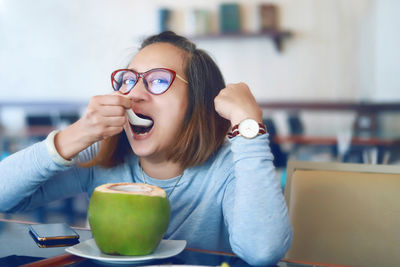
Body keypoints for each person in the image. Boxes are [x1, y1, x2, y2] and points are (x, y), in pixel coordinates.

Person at [0, 31, 292, 266]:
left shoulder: (228, 167)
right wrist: (77, 134)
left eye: (158, 81)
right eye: (128, 80)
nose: (134, 94)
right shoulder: (102, 155)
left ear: (197, 102)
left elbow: (263, 252)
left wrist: (248, 125)